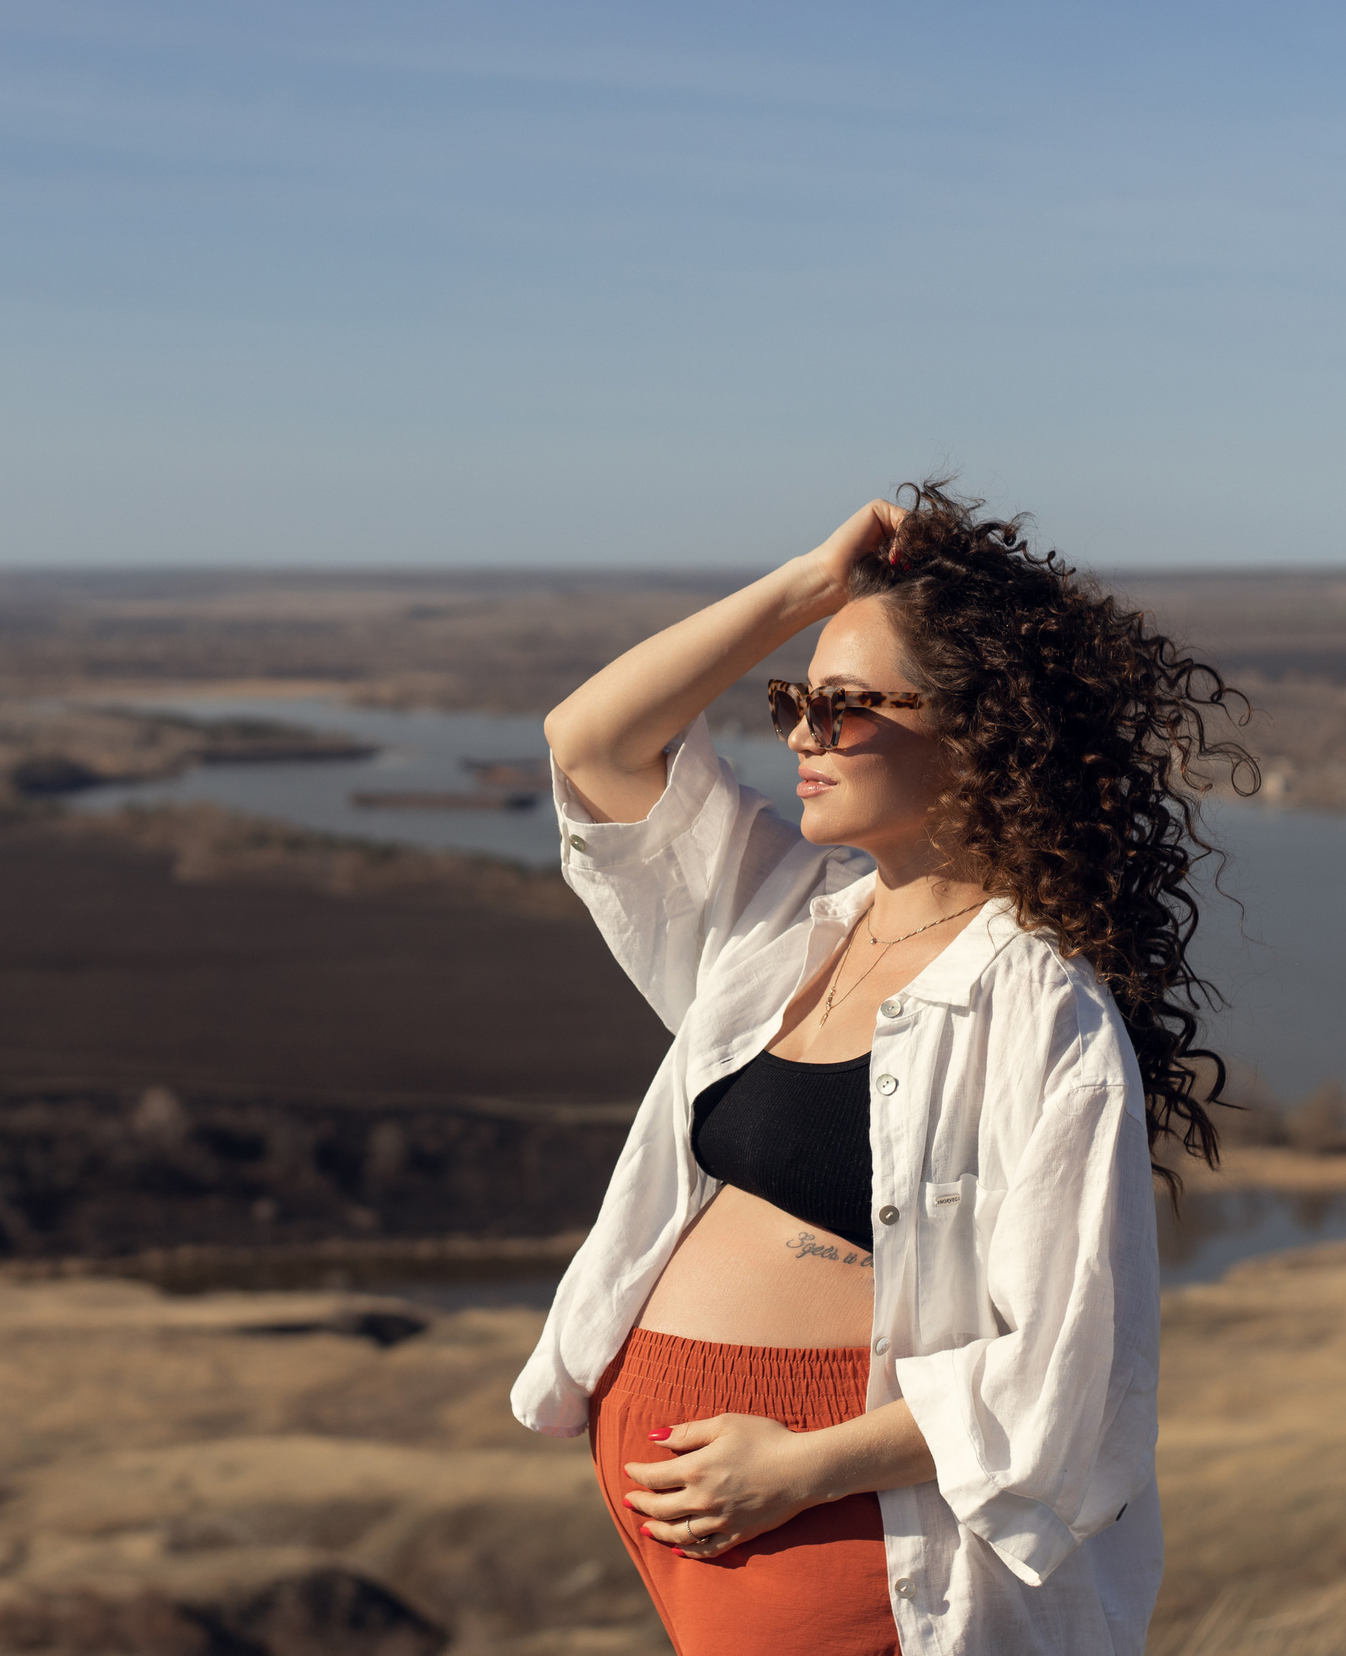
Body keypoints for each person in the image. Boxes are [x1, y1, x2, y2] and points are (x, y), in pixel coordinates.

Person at [511, 484, 1253, 1656]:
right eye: (793, 702)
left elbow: (1068, 1366)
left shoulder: (1038, 1003)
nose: (800, 736)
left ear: (980, 735)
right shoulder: (786, 918)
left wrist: (801, 1468)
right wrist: (815, 585)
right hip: (718, 1527)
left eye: (843, 707)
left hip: (839, 1525)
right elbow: (589, 741)